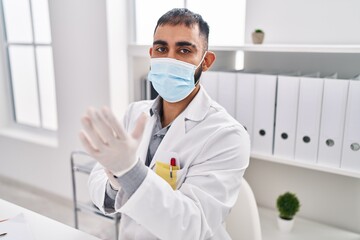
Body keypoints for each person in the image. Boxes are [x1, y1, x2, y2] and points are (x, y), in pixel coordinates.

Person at [79, 8, 250, 240]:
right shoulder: (135, 112)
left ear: (206, 60)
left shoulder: (228, 135)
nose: (170, 58)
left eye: (184, 50)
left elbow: (192, 227)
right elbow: (101, 186)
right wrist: (116, 183)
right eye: (161, 49)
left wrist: (130, 171)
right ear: (151, 54)